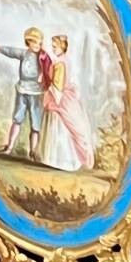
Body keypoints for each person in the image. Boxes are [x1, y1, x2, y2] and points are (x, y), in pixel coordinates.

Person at [0, 28, 50, 159]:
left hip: (36, 93)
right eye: (35, 42)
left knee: (35, 124)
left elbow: (49, 70)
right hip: (22, 90)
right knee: (17, 119)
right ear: (29, 42)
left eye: (39, 43)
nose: (38, 45)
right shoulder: (24, 54)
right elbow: (11, 51)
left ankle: (33, 152)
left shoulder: (43, 57)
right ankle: (9, 147)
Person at [40, 33, 95, 173]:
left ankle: (58, 160)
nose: (53, 49)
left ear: (62, 47)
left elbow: (58, 86)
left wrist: (49, 89)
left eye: (55, 47)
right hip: (65, 95)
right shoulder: (64, 60)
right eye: (52, 46)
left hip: (60, 97)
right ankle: (57, 160)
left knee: (64, 122)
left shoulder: (59, 63)